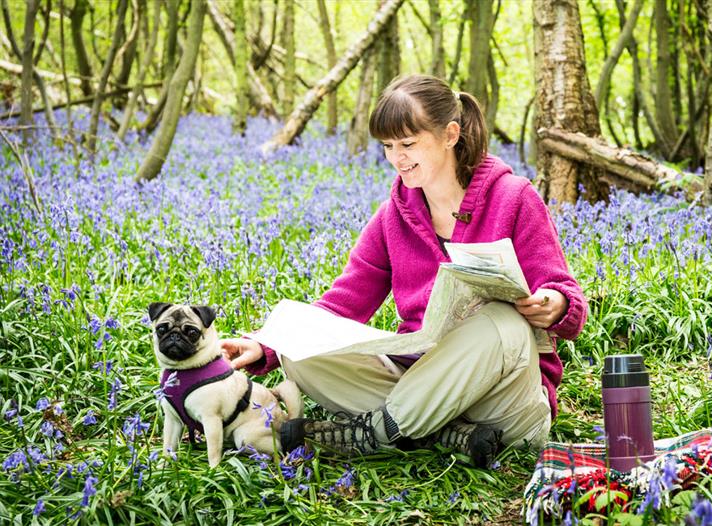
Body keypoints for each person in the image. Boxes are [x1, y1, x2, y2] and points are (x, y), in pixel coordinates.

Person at [220, 74, 587, 468]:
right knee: (302, 354)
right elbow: (344, 302)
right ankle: (445, 434)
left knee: (502, 321)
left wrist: (555, 303)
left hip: (503, 402)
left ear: (450, 134)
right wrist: (270, 344)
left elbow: (563, 292)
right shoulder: (394, 215)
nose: (397, 158)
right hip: (419, 378)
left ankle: (375, 433)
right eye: (388, 146)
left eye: (409, 144)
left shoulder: (513, 197)